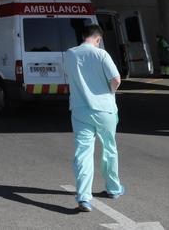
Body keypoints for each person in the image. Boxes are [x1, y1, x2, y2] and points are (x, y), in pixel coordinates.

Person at [62, 24, 124, 213]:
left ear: (83, 36)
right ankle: (113, 189)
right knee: (109, 148)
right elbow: (116, 79)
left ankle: (83, 197)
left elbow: (68, 77)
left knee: (83, 152)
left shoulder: (70, 54)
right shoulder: (102, 54)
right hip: (105, 109)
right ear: (98, 39)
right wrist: (108, 93)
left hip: (80, 109)